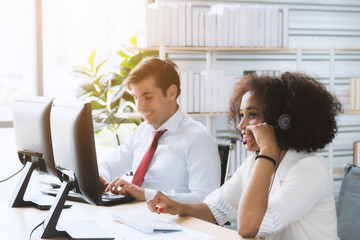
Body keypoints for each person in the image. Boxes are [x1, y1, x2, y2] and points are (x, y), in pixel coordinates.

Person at [147, 72, 341, 239]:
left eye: (252, 115)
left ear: (282, 121)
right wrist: (178, 207)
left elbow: (249, 227)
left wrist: (267, 152)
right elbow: (215, 210)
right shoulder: (254, 163)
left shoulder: (310, 169)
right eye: (241, 115)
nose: (241, 126)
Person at [98, 57, 221, 203]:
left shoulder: (198, 139)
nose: (139, 107)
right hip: (134, 217)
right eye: (136, 97)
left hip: (172, 223)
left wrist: (146, 195)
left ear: (171, 93)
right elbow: (108, 166)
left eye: (147, 97)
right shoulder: (142, 131)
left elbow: (205, 201)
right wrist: (100, 180)